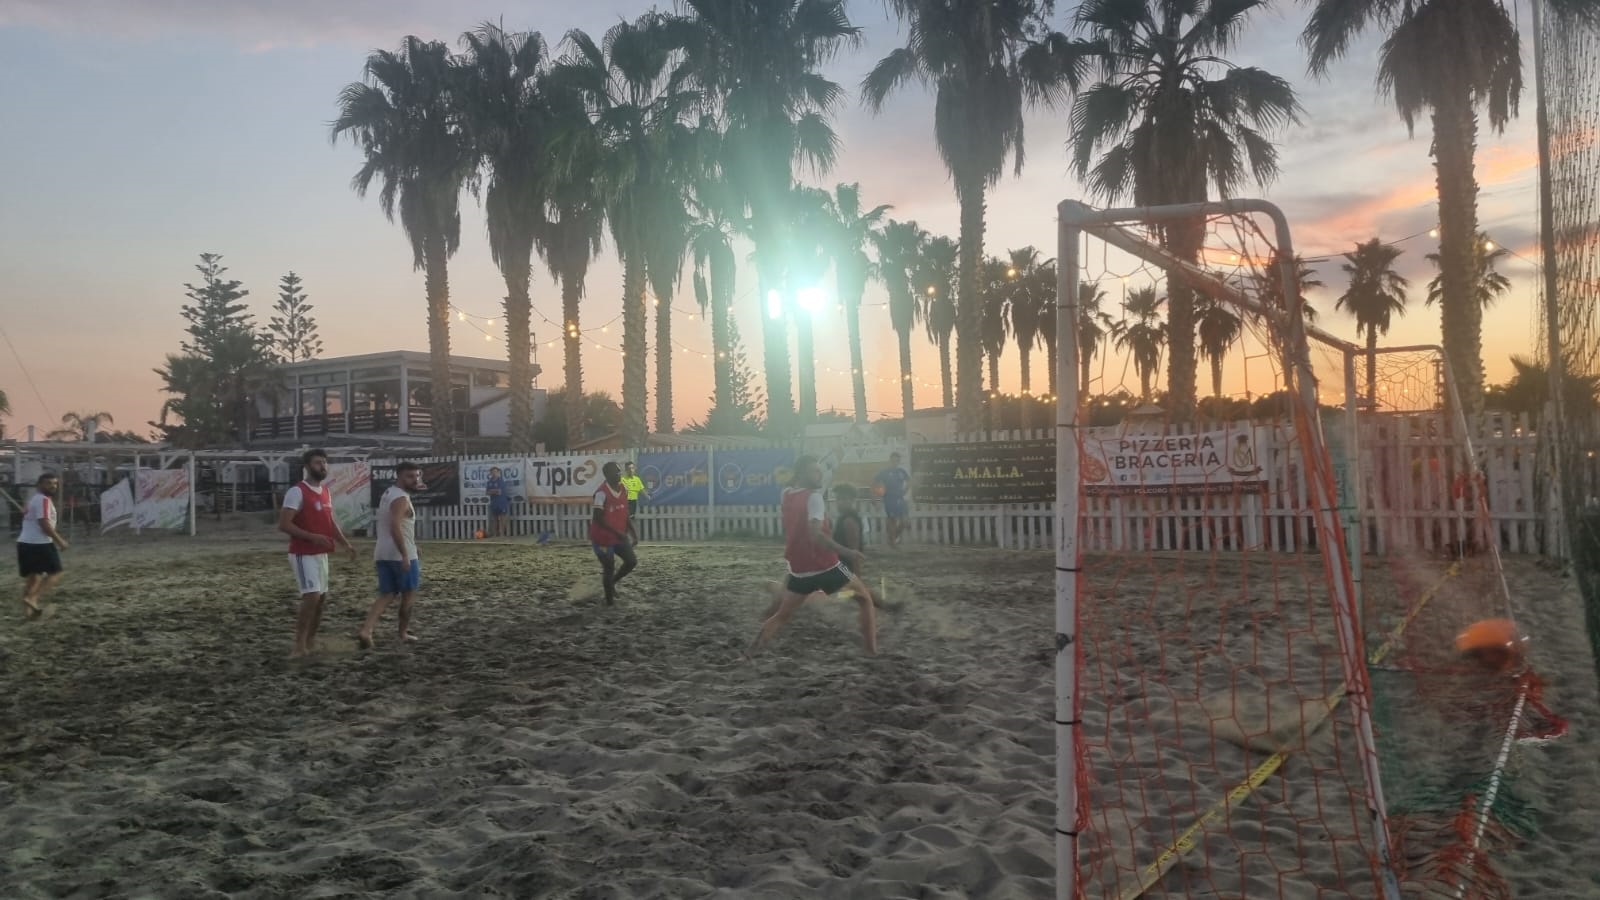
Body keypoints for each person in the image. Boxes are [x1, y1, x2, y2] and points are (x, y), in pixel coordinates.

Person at [746, 455, 877, 658]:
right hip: (827, 566)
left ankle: (748, 654)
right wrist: (848, 552)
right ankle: (871, 651)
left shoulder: (786, 494)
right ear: (801, 474)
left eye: (820, 470)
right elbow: (816, 535)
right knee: (865, 599)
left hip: (799, 570)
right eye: (814, 471)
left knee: (781, 615)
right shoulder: (814, 498)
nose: (819, 474)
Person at [277, 448, 357, 657]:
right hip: (303, 553)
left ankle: (310, 641)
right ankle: (298, 645)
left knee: (321, 599)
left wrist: (345, 543)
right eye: (317, 463)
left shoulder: (325, 491)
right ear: (307, 467)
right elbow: (285, 524)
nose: (322, 466)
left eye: (324, 462)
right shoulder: (297, 491)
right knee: (311, 596)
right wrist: (312, 537)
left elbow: (330, 522)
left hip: (321, 553)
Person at [359, 461, 423, 649]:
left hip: (382, 551)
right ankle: (403, 633)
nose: (415, 480)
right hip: (399, 554)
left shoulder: (388, 493)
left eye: (417, 476)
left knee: (386, 594)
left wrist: (413, 544)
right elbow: (395, 526)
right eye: (410, 476)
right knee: (409, 595)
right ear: (399, 476)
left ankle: (366, 630)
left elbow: (396, 526)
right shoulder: (401, 498)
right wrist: (405, 553)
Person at [17, 472, 68, 618]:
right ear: (39, 485)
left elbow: (28, 515)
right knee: (56, 572)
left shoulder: (33, 500)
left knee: (34, 577)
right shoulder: (43, 500)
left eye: (55, 483)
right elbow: (44, 523)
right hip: (40, 543)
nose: (53, 486)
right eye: (49, 483)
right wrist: (60, 541)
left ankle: (28, 612)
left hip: (25, 543)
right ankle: (32, 598)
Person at [590, 462, 637, 605]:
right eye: (616, 472)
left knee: (631, 561)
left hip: (618, 536)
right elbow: (597, 518)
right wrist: (618, 532)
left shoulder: (623, 488)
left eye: (619, 471)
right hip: (603, 538)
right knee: (609, 567)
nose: (619, 474)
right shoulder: (601, 493)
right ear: (607, 475)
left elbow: (625, 513)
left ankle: (612, 583)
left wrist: (633, 532)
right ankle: (609, 602)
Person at [873, 452, 912, 548]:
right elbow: (875, 482)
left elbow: (910, 481)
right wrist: (879, 494)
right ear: (890, 460)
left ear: (899, 461)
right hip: (889, 498)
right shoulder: (884, 472)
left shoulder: (901, 471)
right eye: (893, 460)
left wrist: (905, 490)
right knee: (892, 520)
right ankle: (893, 542)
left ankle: (893, 537)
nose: (895, 462)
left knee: (904, 521)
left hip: (900, 497)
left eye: (897, 460)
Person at [621, 461, 648, 541]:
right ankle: (625, 538)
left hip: (633, 501)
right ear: (626, 470)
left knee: (630, 519)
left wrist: (648, 496)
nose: (631, 470)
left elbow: (642, 489)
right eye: (629, 468)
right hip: (625, 501)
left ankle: (628, 538)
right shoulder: (622, 479)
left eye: (632, 468)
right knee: (626, 519)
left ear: (635, 469)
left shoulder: (637, 479)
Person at [485, 466, 510, 537]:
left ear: (498, 472)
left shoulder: (501, 481)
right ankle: (495, 534)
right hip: (494, 503)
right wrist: (494, 491)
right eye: (492, 472)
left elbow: (499, 492)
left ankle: (502, 534)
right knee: (495, 519)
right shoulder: (489, 482)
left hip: (501, 502)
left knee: (502, 519)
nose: (494, 473)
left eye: (495, 472)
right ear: (490, 473)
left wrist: (492, 491)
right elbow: (487, 492)